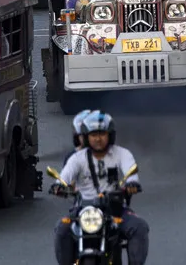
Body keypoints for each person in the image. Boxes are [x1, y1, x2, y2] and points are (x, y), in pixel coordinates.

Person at [52, 112, 149, 265]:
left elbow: (131, 174)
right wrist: (59, 186)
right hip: (82, 210)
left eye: (102, 134)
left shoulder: (122, 154)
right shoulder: (76, 158)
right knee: (62, 228)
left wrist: (131, 184)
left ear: (110, 135)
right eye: (93, 134)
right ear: (86, 137)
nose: (98, 139)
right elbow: (64, 177)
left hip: (115, 209)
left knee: (139, 227)